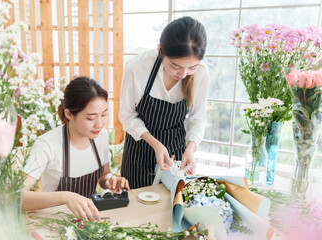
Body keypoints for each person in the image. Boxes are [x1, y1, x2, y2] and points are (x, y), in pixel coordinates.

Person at [119, 16, 210, 189]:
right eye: (175, 66)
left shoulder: (202, 74)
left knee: (170, 208)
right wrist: (155, 144)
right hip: (139, 151)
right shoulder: (137, 67)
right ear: (160, 50)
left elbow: (197, 118)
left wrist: (190, 149)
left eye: (192, 67)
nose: (183, 74)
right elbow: (127, 115)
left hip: (175, 154)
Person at [21, 76, 129, 221]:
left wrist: (110, 180)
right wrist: (66, 197)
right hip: (52, 219)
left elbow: (104, 174)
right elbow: (18, 197)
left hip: (89, 217)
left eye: (103, 115)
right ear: (69, 114)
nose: (99, 124)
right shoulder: (47, 144)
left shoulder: (100, 136)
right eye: (91, 118)